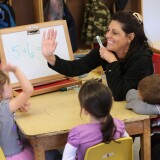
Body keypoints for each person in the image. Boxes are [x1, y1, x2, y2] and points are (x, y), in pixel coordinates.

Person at [41, 10, 154, 101]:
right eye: (108, 30)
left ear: (130, 37)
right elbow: (75, 68)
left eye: (114, 33)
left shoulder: (142, 60)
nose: (108, 35)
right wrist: (50, 57)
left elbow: (119, 94)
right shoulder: (107, 50)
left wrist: (112, 62)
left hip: (135, 112)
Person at [62, 79, 129, 160]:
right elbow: (127, 146)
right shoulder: (118, 125)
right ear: (110, 103)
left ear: (84, 110)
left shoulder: (78, 134)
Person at [0, 63, 34, 160]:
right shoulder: (5, 106)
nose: (12, 87)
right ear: (1, 95)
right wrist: (15, 70)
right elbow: (28, 90)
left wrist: (18, 103)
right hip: (15, 156)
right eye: (9, 85)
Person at [125, 74, 160, 160]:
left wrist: (130, 104)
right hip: (155, 136)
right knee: (146, 148)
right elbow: (130, 93)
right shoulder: (154, 98)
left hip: (157, 140)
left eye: (139, 96)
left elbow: (138, 106)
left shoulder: (154, 107)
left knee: (152, 152)